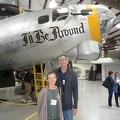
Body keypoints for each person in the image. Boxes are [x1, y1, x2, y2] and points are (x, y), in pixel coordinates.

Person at [54, 54, 78, 120]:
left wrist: (75, 106)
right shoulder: (55, 72)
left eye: (65, 59)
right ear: (59, 62)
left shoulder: (73, 74)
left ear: (68, 61)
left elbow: (75, 91)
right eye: (61, 60)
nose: (63, 61)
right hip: (56, 103)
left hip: (68, 104)